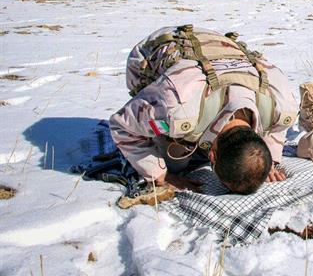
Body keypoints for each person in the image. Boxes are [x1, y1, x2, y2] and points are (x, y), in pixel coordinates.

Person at [109, 25, 298, 194]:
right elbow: (121, 126)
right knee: (175, 162)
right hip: (152, 52)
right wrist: (160, 175)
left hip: (213, 49)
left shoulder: (280, 106)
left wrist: (265, 163)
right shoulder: (176, 113)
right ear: (212, 157)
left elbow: (277, 128)